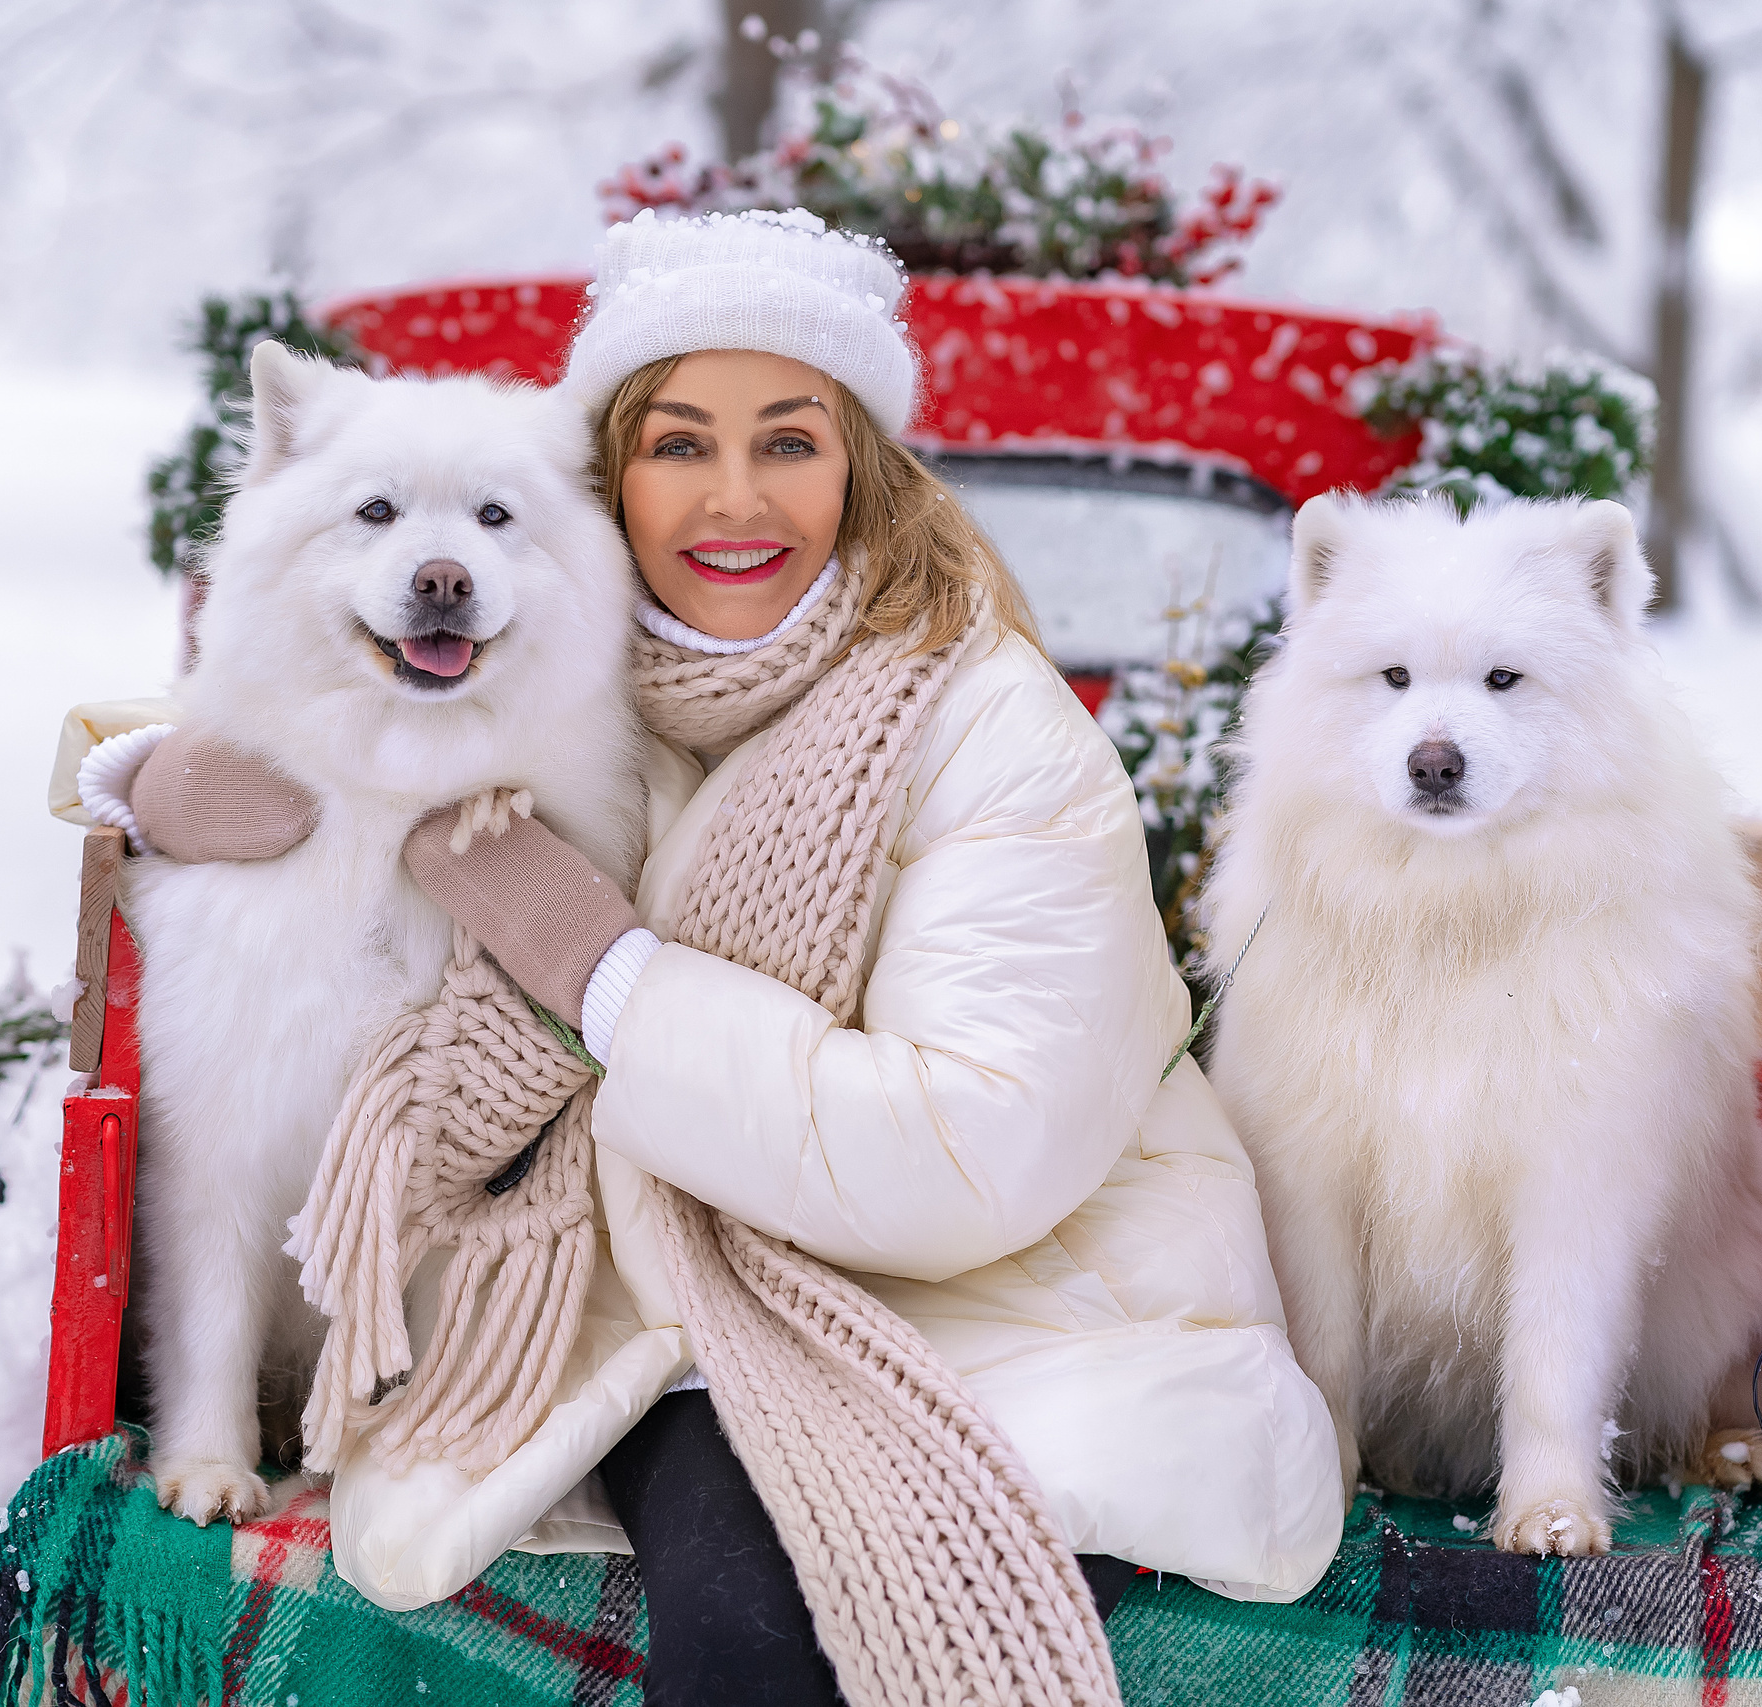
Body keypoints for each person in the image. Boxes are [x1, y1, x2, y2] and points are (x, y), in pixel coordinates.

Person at [70, 208, 1341, 1705]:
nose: (735, 496)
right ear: (612, 485)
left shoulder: (997, 733)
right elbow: (324, 721)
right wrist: (140, 777)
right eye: (681, 445)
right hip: (693, 1298)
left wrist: (606, 972)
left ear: (866, 462)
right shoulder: (592, 681)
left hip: (1033, 1303)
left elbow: (961, 1155)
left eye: (790, 441)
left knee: (773, 1633)